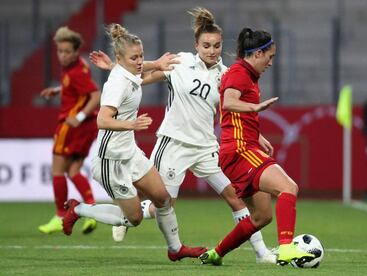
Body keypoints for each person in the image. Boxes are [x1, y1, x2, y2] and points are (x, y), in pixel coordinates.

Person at [89, 7, 276, 263]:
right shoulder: (182, 62)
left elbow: (231, 110)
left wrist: (259, 134)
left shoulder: (226, 75)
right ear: (196, 45)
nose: (212, 51)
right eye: (206, 45)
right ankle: (128, 215)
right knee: (162, 206)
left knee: (236, 197)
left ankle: (261, 253)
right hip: (173, 144)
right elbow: (139, 77)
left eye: (217, 46)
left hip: (207, 147)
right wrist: (114, 66)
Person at [62, 23, 206, 262]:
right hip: (111, 160)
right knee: (134, 219)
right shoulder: (117, 84)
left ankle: (175, 249)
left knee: (163, 198)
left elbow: (138, 69)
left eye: (141, 56)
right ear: (120, 59)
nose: (140, 61)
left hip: (130, 152)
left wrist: (156, 63)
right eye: (134, 58)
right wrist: (132, 124)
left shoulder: (126, 70)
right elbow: (102, 120)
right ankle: (78, 209)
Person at [199, 28, 315, 266]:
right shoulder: (240, 73)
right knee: (288, 188)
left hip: (243, 147)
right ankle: (285, 249)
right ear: (257, 53)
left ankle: (216, 253)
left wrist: (258, 134)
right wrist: (254, 108)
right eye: (269, 57)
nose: (271, 63)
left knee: (262, 216)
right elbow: (229, 102)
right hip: (241, 151)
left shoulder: (248, 75)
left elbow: (231, 114)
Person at [38, 26, 99, 235]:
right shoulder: (79, 66)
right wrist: (57, 90)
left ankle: (60, 215)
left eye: (66, 51)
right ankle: (91, 208)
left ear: (75, 52)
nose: (62, 55)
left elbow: (95, 95)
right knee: (73, 171)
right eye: (59, 51)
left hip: (73, 126)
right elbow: (77, 89)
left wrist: (79, 116)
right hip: (88, 127)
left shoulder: (74, 72)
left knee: (57, 169)